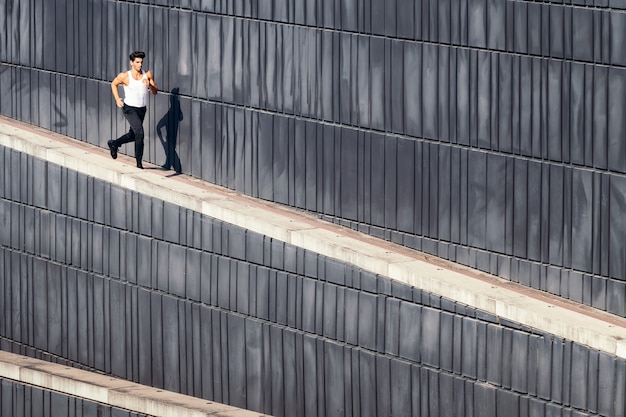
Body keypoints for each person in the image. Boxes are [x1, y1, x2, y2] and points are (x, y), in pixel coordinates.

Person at [108, 51, 158, 169]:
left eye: (141, 62)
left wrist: (149, 85)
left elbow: (155, 92)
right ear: (131, 62)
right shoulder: (125, 76)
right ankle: (139, 164)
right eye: (137, 62)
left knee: (133, 135)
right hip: (129, 109)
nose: (140, 65)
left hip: (142, 109)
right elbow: (113, 84)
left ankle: (114, 143)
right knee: (140, 133)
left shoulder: (148, 75)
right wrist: (117, 99)